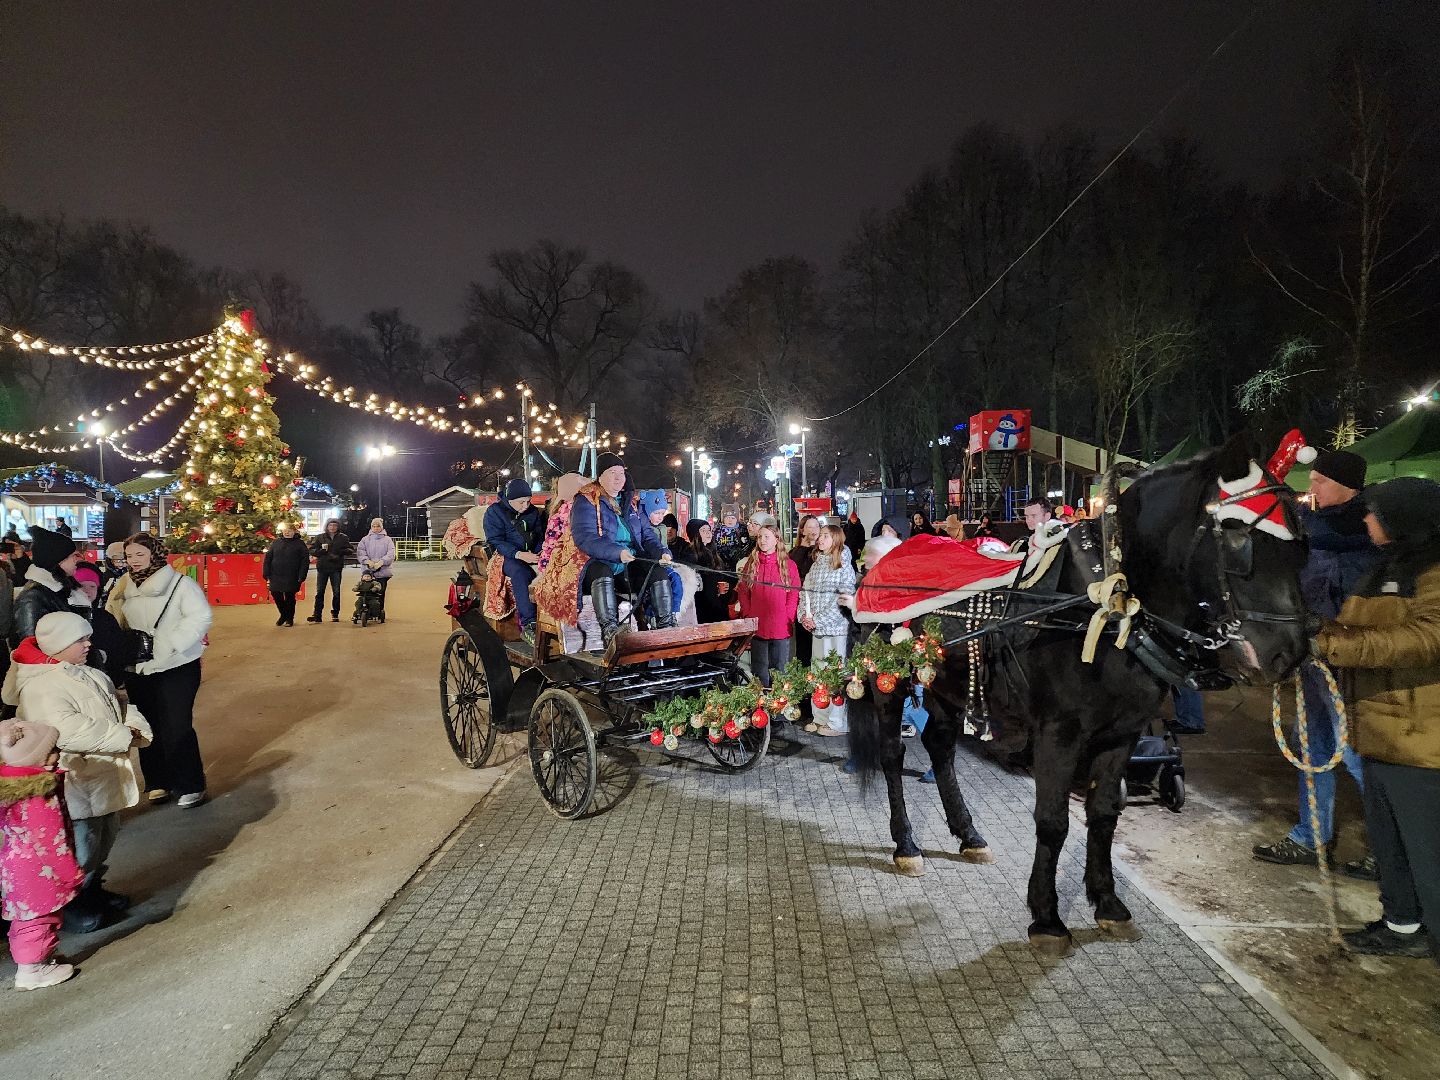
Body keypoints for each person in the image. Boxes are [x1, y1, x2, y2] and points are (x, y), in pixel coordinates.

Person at [1314, 476, 1440, 960]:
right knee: (1391, 847)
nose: (1366, 521)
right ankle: (1402, 925)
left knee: (1428, 855)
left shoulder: (1433, 571)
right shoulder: (1387, 566)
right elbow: (1357, 627)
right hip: (1382, 730)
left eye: (1375, 514)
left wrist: (1332, 645)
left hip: (1422, 738)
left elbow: (1424, 639)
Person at [1254, 450, 1382, 876]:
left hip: (1353, 661)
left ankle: (1390, 850)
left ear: (1348, 485)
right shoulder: (1314, 528)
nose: (1312, 488)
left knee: (1357, 752)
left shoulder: (1367, 529)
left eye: (1321, 481)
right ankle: (1312, 836)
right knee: (1312, 743)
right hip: (1313, 657)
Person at [9, 612, 152, 933]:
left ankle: (92, 889)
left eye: (88, 637)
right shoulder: (41, 687)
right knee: (80, 845)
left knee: (104, 835)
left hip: (101, 774)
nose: (89, 644)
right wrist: (123, 735)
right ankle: (69, 901)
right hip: (74, 779)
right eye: (80, 640)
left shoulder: (87, 673)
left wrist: (135, 726)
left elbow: (121, 704)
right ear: (58, 645)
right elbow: (67, 730)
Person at [110, 533, 212, 809]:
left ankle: (191, 784)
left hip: (176, 666)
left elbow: (200, 617)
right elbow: (113, 618)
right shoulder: (122, 585)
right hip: (138, 668)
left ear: (155, 554)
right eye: (129, 556)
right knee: (148, 726)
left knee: (176, 725)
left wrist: (168, 644)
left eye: (140, 554)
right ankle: (158, 781)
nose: (134, 561)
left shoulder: (181, 584)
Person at [1, 717, 85, 989]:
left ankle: (37, 961)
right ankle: (31, 970)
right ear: (34, 760)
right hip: (38, 870)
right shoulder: (37, 796)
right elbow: (50, 839)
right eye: (52, 750)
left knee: (26, 918)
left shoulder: (11, 787)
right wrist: (70, 873)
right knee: (38, 921)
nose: (58, 753)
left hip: (17, 868)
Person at [570, 453, 681, 646]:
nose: (618, 478)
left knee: (658, 571)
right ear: (601, 476)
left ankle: (666, 627)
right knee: (600, 570)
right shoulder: (586, 500)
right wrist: (616, 552)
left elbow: (648, 536)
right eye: (612, 473)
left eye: (621, 473)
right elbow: (585, 537)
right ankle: (610, 631)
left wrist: (662, 552)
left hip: (629, 561)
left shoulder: (631, 503)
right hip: (599, 561)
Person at [801, 524, 856, 735]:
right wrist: (804, 616)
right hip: (818, 629)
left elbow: (843, 601)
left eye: (825, 536)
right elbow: (804, 593)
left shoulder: (844, 566)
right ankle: (820, 715)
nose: (820, 539)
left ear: (835, 539)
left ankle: (837, 721)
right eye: (820, 535)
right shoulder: (816, 564)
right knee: (818, 672)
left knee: (836, 673)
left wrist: (819, 619)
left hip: (837, 630)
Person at [737, 523, 799, 688]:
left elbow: (794, 593)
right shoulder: (753, 563)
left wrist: (788, 616)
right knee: (759, 671)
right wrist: (748, 613)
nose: (762, 540)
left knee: (779, 671)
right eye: (760, 537)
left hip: (780, 626)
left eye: (766, 537)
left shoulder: (788, 565)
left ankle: (779, 709)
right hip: (758, 626)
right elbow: (743, 591)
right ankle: (760, 708)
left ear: (776, 540)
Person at [483, 479, 545, 639]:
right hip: (507, 556)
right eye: (521, 502)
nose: (526, 506)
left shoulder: (532, 512)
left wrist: (538, 553)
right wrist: (519, 554)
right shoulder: (494, 512)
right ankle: (529, 623)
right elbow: (495, 540)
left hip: (531, 554)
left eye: (528, 501)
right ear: (509, 500)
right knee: (521, 573)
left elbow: (539, 535)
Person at [9, 525, 85, 648]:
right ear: (57, 560)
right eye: (72, 556)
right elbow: (30, 645)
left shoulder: (62, 589)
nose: (77, 560)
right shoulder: (32, 598)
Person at [73, 563, 128, 688]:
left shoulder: (104, 617)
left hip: (105, 684)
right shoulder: (63, 615)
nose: (87, 590)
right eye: (81, 585)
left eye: (92, 586)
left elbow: (118, 652)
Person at [680, 519, 732, 624]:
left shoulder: (713, 552)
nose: (708, 533)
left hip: (717, 606)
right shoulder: (690, 554)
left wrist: (726, 586)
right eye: (703, 530)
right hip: (702, 608)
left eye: (709, 530)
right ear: (695, 534)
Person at [790, 515, 822, 685]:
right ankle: (804, 684)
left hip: (820, 604)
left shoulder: (823, 552)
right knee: (803, 647)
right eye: (809, 527)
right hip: (803, 603)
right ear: (802, 530)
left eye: (816, 526)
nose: (813, 530)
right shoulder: (795, 553)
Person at [262, 523, 309, 628]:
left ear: (295, 532)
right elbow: (268, 558)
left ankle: (289, 618)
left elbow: (304, 561)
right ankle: (283, 614)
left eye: (290, 530)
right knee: (275, 594)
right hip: (276, 574)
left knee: (289, 597)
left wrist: (302, 575)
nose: (287, 532)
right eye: (285, 530)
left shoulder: (300, 544)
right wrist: (266, 572)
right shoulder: (276, 542)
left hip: (292, 575)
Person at [306, 519, 350, 624]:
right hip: (322, 567)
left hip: (336, 567)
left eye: (335, 525)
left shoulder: (343, 537)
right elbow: (312, 549)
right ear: (327, 526)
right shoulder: (320, 537)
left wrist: (340, 552)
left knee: (336, 592)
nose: (333, 527)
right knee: (320, 592)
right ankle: (317, 614)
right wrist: (319, 552)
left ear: (338, 527)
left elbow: (350, 549)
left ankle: (335, 613)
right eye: (331, 525)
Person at [355, 518, 397, 610]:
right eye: (373, 526)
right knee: (366, 591)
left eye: (378, 526)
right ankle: (365, 610)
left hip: (383, 571)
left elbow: (391, 553)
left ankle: (379, 610)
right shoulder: (365, 540)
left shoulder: (388, 540)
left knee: (380, 592)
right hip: (368, 571)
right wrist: (367, 561)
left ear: (381, 527)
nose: (376, 528)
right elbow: (361, 552)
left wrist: (382, 562)